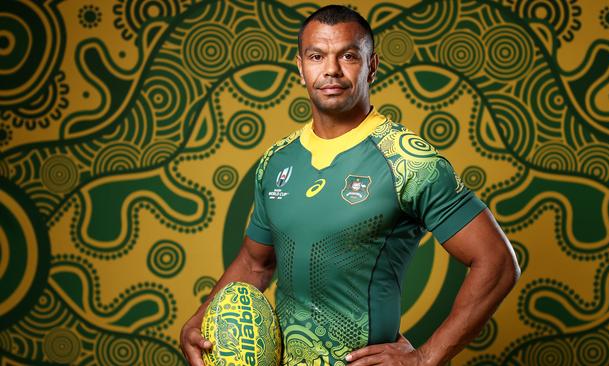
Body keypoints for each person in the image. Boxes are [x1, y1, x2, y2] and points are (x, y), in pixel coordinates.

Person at [181, 5, 520, 366]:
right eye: (316, 56)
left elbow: (497, 263)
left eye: (348, 55)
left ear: (371, 66)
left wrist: (425, 358)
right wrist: (201, 318)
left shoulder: (408, 160)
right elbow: (254, 264)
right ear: (300, 67)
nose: (331, 69)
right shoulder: (276, 161)